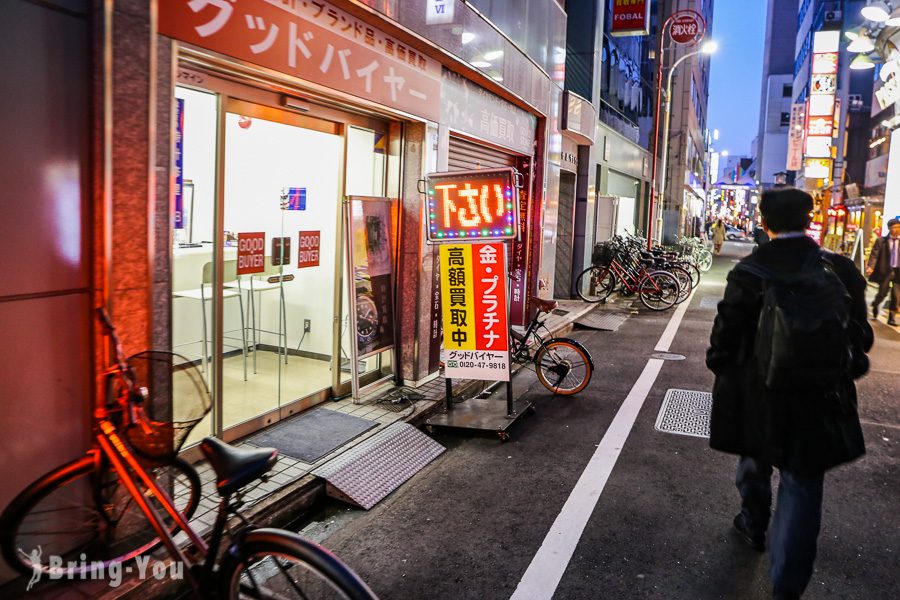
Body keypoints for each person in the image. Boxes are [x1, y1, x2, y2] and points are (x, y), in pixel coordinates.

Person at [707, 187, 873, 600]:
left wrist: (723, 366)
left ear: (764, 221)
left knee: (753, 459)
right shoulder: (838, 268)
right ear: (808, 219)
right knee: (802, 484)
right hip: (819, 397)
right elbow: (861, 336)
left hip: (759, 392)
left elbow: (725, 339)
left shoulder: (750, 270)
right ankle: (787, 584)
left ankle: (753, 523)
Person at [865, 217, 900, 326]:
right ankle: (875, 304)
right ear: (889, 228)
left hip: (898, 272)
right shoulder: (881, 241)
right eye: (894, 227)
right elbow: (875, 255)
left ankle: (891, 318)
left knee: (896, 296)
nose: (897, 229)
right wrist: (871, 266)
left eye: (899, 227)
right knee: (883, 293)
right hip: (885, 271)